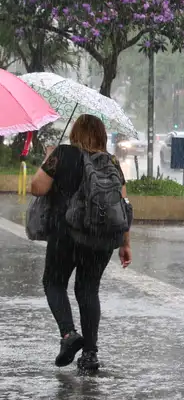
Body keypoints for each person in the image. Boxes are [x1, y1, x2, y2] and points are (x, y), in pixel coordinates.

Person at [29, 114, 132, 373]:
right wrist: (125, 243)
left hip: (66, 235)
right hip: (101, 239)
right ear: (101, 136)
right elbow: (123, 205)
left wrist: (48, 158)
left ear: (75, 133)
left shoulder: (63, 155)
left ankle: (68, 334)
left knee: (53, 282)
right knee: (88, 291)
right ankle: (90, 355)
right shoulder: (111, 162)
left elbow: (37, 188)